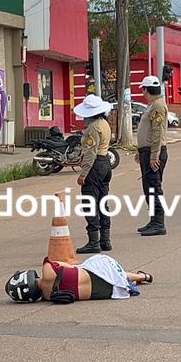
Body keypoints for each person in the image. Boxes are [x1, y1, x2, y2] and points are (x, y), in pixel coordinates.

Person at [5, 254, 154, 304]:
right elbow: (70, 265)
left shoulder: (48, 297)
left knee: (99, 274)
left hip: (108, 292)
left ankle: (137, 278)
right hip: (105, 275)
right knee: (94, 266)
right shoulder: (47, 269)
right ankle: (142, 276)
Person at [73, 94, 114, 254]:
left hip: (95, 166)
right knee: (103, 202)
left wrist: (83, 174)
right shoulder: (104, 123)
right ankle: (105, 240)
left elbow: (90, 153)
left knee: (90, 203)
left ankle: (93, 242)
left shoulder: (93, 128)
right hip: (105, 164)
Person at [136, 75, 169, 236]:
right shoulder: (152, 105)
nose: (142, 92)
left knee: (154, 188)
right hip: (147, 151)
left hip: (153, 152)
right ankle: (153, 220)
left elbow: (157, 132)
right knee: (148, 188)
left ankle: (159, 223)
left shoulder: (158, 106)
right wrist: (140, 151)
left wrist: (154, 156)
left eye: (143, 89)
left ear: (146, 89)